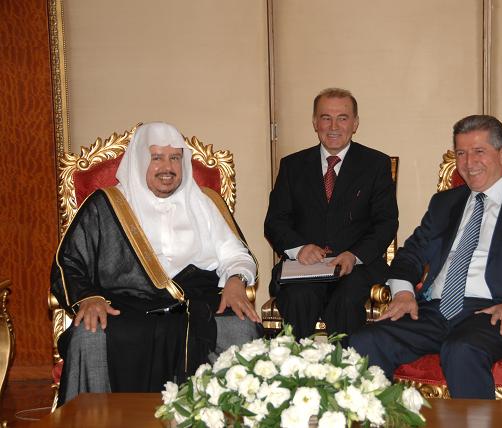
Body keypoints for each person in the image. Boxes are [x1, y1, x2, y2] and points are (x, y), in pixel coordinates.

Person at [350, 115, 502, 399]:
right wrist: (403, 293)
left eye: (479, 151)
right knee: (365, 341)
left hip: (496, 313)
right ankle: (382, 417)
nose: (469, 162)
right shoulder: (444, 203)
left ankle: (475, 420)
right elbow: (410, 255)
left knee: (462, 349)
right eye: (461, 153)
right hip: (434, 311)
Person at [51, 122, 261, 405]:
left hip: (193, 306)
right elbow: (69, 262)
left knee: (242, 329)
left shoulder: (203, 203)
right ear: (139, 160)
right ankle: (95, 419)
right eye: (157, 157)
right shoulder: (105, 205)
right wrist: (88, 298)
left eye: (175, 158)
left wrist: (236, 280)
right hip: (125, 309)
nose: (168, 167)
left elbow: (237, 255)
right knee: (89, 335)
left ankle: (225, 418)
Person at [264, 88, 398, 340]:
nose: (334, 126)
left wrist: (354, 255)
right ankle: (295, 364)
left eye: (342, 118)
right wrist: (299, 248)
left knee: (347, 300)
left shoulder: (375, 164)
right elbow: (275, 221)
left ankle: (347, 366)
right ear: (315, 123)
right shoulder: (292, 166)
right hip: (304, 269)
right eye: (326, 118)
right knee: (297, 297)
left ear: (355, 123)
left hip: (357, 269)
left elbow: (386, 223)